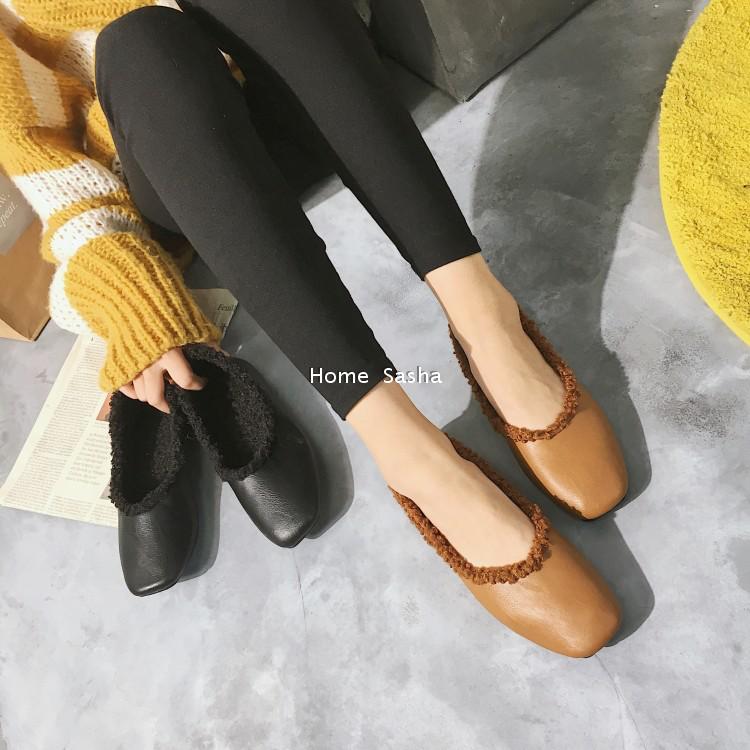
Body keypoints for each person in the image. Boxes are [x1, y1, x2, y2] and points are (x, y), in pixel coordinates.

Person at [0, 0, 627, 655]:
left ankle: (484, 318)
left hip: (300, 85)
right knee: (139, 42)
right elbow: (47, 166)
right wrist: (130, 298)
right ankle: (403, 444)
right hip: (181, 163)